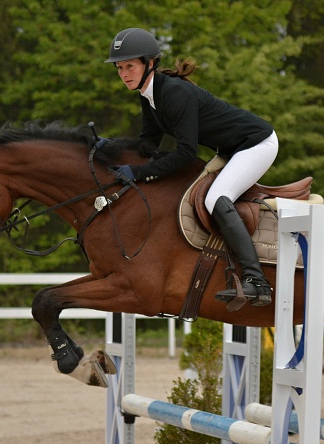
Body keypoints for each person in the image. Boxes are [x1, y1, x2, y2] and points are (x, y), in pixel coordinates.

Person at [106, 27, 277, 308]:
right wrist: (108, 148)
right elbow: (147, 145)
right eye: (119, 68)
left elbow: (186, 154)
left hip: (256, 144)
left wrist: (137, 173)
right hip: (230, 150)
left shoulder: (174, 94)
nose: (124, 73)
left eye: (129, 66)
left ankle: (256, 280)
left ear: (149, 63)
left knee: (215, 199)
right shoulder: (148, 96)